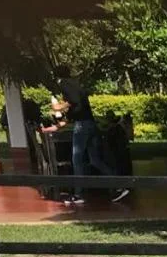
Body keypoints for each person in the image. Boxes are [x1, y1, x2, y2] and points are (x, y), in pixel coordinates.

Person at [54, 65, 130, 204]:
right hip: (90, 123)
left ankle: (79, 194)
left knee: (77, 160)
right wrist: (67, 118)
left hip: (82, 126)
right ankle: (119, 185)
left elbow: (74, 101)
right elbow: (79, 104)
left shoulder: (63, 83)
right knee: (95, 160)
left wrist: (61, 107)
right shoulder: (76, 84)